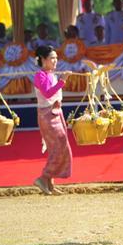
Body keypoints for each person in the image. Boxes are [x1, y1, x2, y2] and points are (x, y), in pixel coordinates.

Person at [32, 46, 74, 195]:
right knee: (59, 145)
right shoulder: (40, 75)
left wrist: (60, 80)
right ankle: (43, 178)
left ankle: (50, 184)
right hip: (47, 115)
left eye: (56, 57)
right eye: (52, 58)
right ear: (43, 59)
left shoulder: (51, 74)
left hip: (56, 113)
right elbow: (48, 93)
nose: (55, 61)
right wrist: (62, 81)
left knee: (55, 148)